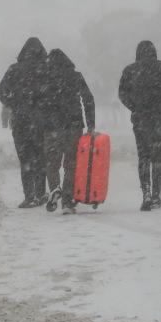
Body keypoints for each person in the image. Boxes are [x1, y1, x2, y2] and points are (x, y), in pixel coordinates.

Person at [118, 40, 161, 211]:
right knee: (157, 157)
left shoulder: (130, 71)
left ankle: (145, 193)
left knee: (143, 157)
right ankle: (156, 196)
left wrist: (135, 107)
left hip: (140, 120)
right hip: (159, 119)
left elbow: (122, 94)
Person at [39, 48, 95, 215]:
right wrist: (91, 123)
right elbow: (88, 99)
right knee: (71, 163)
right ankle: (67, 201)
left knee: (51, 163)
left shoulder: (45, 78)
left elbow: (36, 102)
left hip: (52, 128)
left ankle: (55, 187)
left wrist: (41, 121)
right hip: (73, 125)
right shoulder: (75, 76)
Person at [0, 37, 48, 208]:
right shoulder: (45, 69)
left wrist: (14, 104)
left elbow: (0, 90)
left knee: (25, 159)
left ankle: (29, 196)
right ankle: (41, 194)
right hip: (41, 121)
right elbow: (54, 93)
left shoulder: (14, 69)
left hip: (20, 121)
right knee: (41, 157)